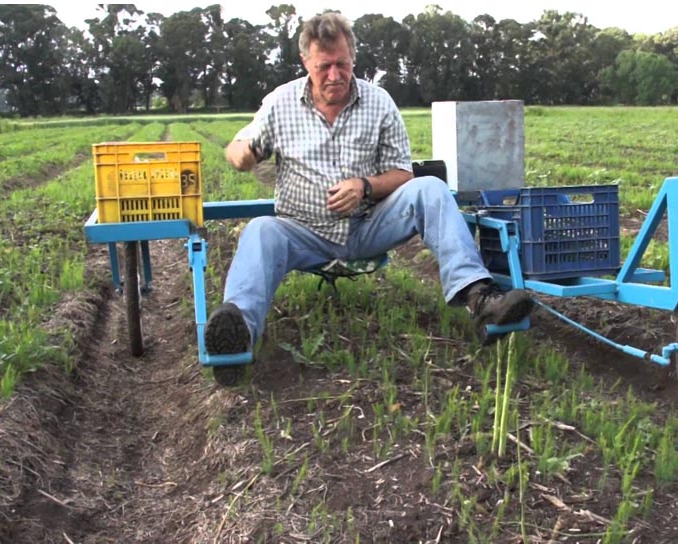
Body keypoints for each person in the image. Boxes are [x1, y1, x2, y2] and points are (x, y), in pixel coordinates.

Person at [206, 12, 533, 362]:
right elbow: (238, 149)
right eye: (324, 66)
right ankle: (239, 330)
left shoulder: (378, 102)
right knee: (259, 231)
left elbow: (402, 174)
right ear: (305, 62)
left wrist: (363, 186)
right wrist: (241, 154)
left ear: (353, 59)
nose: (335, 75)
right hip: (302, 233)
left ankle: (480, 297)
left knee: (430, 189)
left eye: (342, 64)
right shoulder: (280, 103)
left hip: (368, 226)